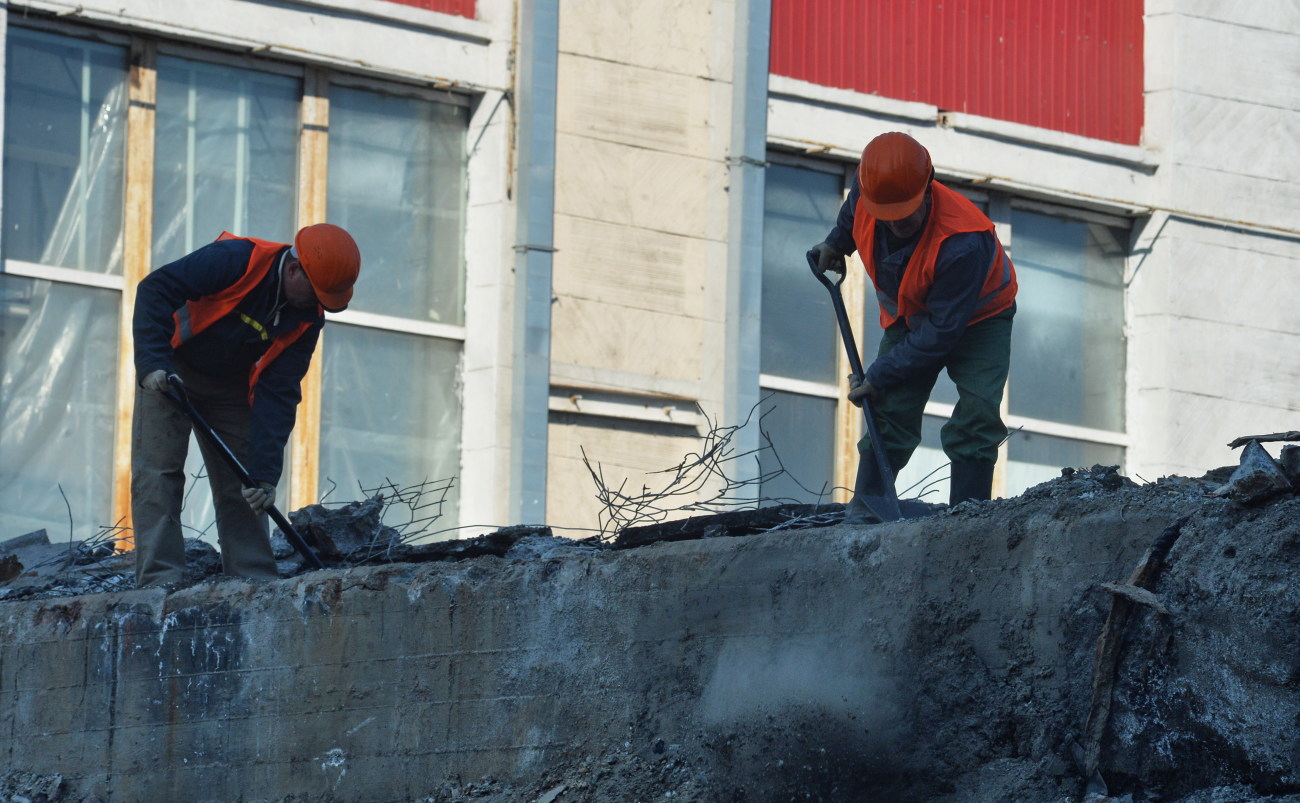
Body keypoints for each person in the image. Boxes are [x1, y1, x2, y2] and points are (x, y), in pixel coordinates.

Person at [131, 224, 361, 586]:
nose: (319, 303)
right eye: (316, 291)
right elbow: (154, 289)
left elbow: (280, 390)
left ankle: (253, 579)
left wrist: (266, 474)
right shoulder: (236, 260)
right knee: (159, 474)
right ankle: (161, 579)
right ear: (293, 269)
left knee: (247, 485)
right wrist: (151, 363)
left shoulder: (308, 317)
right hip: (171, 369)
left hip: (230, 388)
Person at [808, 132, 1017, 519]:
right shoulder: (870, 192)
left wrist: (881, 372)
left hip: (980, 318)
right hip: (913, 313)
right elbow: (852, 216)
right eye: (887, 215)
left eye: (905, 213)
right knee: (889, 407)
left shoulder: (962, 241)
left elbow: (939, 336)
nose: (897, 224)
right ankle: (869, 503)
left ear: (927, 185)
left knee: (978, 408)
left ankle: (968, 515)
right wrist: (836, 243)